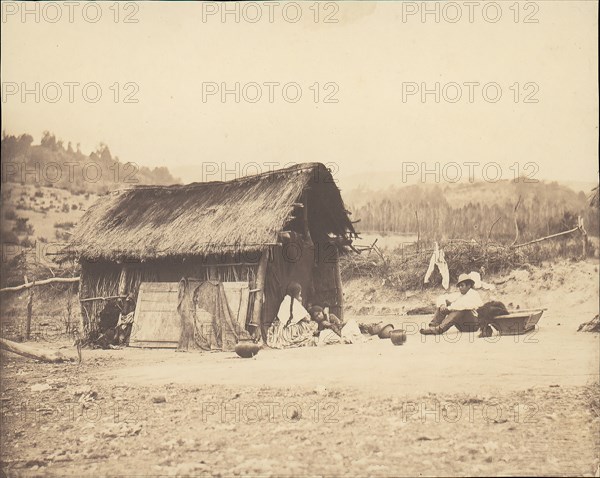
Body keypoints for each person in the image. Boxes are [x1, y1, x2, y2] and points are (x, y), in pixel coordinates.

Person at [266, 282, 318, 349]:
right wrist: (300, 303)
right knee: (310, 324)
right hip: (288, 331)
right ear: (296, 293)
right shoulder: (294, 302)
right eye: (299, 292)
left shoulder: (285, 300)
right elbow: (307, 318)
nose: (300, 294)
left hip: (280, 329)